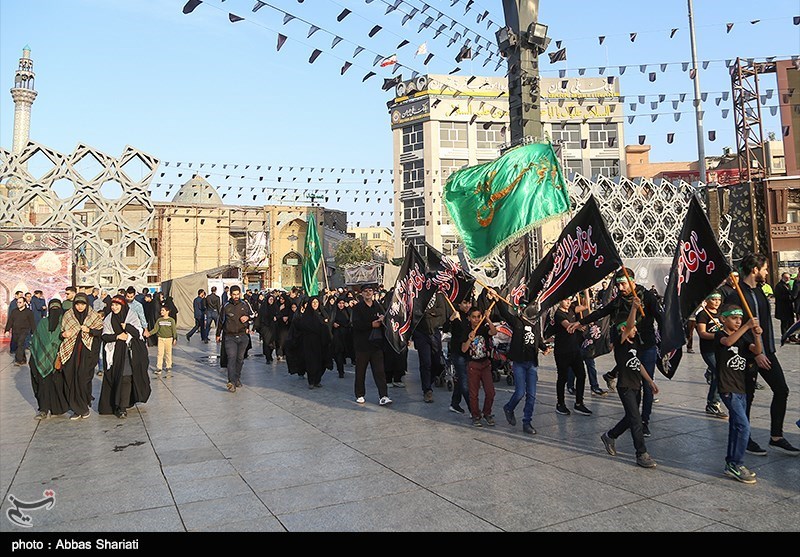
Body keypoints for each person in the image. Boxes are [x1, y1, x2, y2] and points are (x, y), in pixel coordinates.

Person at [574, 267, 663, 437]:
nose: (621, 288)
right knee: (633, 387)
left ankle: (644, 421)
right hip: (630, 348)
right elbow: (602, 312)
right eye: (618, 284)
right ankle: (634, 418)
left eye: (623, 284)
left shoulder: (646, 296)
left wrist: (666, 338)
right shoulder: (619, 301)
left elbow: (659, 316)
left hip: (647, 345)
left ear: (633, 282)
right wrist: (581, 322)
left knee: (647, 383)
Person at [724, 253, 799, 456]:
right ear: (755, 270)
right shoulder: (736, 295)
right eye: (765, 268)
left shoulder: (759, 293)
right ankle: (744, 438)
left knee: (781, 390)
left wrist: (766, 349)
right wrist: (754, 352)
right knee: (747, 397)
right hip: (748, 355)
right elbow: (733, 329)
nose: (767, 272)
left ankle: (776, 436)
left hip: (767, 351)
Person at [599, 299, 658, 468]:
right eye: (632, 328)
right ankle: (641, 453)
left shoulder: (635, 344)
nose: (635, 329)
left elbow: (638, 364)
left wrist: (650, 381)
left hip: (636, 385)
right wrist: (633, 308)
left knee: (630, 418)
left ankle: (610, 436)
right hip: (625, 386)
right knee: (636, 421)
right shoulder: (621, 341)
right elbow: (630, 325)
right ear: (623, 329)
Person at [715, 303, 761, 483]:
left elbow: (756, 351)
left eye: (740, 319)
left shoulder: (742, 337)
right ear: (723, 319)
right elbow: (728, 342)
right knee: (744, 426)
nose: (738, 321)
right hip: (728, 387)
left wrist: (756, 336)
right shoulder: (721, 335)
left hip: (741, 387)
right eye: (734, 318)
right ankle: (738, 463)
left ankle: (731, 463)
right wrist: (747, 326)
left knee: (736, 426)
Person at [496, 295, 549, 435]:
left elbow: (537, 339)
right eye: (522, 306)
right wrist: (496, 299)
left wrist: (544, 348)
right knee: (520, 392)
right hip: (519, 362)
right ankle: (509, 407)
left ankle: (527, 421)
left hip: (531, 363)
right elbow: (504, 313)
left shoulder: (536, 323)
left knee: (531, 395)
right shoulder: (517, 321)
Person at [98, 296, 151, 419]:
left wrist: (126, 327)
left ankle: (122, 407)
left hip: (129, 353)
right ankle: (116, 403)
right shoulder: (108, 319)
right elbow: (105, 336)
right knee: (117, 378)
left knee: (126, 378)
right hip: (114, 354)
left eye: (117, 305)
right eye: (113, 305)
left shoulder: (131, 316)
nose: (114, 308)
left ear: (123, 306)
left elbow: (138, 333)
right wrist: (117, 336)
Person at [58, 293, 103, 420]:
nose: (80, 307)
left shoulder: (93, 315)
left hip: (87, 353)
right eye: (77, 304)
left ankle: (83, 406)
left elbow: (100, 331)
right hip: (71, 353)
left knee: (83, 379)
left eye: (83, 304)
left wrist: (89, 330)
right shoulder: (68, 315)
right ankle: (78, 408)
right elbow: (61, 332)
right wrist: (64, 334)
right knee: (72, 378)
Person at [350, 285, 392, 406]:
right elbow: (356, 324)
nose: (368, 293)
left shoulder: (378, 306)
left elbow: (386, 320)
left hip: (376, 344)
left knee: (379, 372)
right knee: (360, 371)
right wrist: (370, 324)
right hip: (362, 345)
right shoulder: (357, 308)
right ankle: (359, 394)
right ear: (362, 294)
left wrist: (383, 319)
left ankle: (383, 395)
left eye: (370, 291)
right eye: (365, 291)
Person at [28, 298, 69, 420]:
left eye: (57, 308)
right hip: (41, 359)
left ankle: (57, 408)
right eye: (52, 309)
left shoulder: (64, 323)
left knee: (57, 385)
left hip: (58, 359)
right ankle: (43, 409)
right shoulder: (43, 322)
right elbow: (36, 340)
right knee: (43, 385)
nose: (55, 311)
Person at [553, 297, 594, 416]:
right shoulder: (559, 314)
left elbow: (586, 305)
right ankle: (560, 404)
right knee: (562, 378)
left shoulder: (571, 308)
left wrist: (586, 289)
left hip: (574, 350)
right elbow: (568, 326)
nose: (568, 302)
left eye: (570, 300)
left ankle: (579, 403)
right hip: (562, 351)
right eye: (566, 300)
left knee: (581, 375)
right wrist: (578, 325)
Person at [463, 305, 497, 427]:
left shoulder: (483, 329)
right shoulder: (466, 330)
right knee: (474, 393)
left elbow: (494, 332)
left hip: (485, 363)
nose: (476, 319)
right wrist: (469, 339)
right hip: (473, 365)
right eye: (473, 317)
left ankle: (487, 412)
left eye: (478, 317)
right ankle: (475, 415)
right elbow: (463, 349)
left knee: (490, 392)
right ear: (469, 318)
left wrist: (487, 319)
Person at [695, 291, 728, 419]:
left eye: (718, 300)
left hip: (720, 349)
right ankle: (713, 403)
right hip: (708, 349)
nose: (716, 302)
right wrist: (718, 337)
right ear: (707, 300)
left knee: (718, 372)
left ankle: (710, 372)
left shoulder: (720, 314)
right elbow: (702, 333)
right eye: (713, 299)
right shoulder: (703, 315)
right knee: (719, 373)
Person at [216, 285, 254, 393]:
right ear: (230, 295)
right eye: (234, 294)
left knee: (240, 359)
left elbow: (254, 315)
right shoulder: (226, 306)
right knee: (231, 358)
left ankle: (237, 378)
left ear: (240, 294)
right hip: (229, 337)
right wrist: (218, 334)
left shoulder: (245, 304)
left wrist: (247, 318)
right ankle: (231, 382)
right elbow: (220, 321)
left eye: (238, 294)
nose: (236, 296)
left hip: (243, 336)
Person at [411, 291, 447, 404]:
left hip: (434, 331)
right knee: (425, 362)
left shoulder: (438, 295)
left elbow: (442, 312)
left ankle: (430, 380)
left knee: (436, 360)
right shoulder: (417, 295)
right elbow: (415, 312)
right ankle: (427, 389)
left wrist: (430, 312)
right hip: (421, 332)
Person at [295, 295, 332, 389]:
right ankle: (311, 381)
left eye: (316, 302)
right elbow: (302, 326)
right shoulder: (306, 315)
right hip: (309, 343)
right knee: (311, 362)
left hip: (321, 342)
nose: (315, 304)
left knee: (321, 361)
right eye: (313, 302)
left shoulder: (322, 314)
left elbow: (327, 327)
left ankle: (317, 380)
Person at [445, 296, 473, 416]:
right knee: (465, 381)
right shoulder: (456, 315)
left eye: (469, 303)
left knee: (461, 380)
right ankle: (473, 410)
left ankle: (455, 403)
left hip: (468, 352)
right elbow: (445, 328)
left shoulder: (470, 316)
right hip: (457, 353)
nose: (467, 305)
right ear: (459, 304)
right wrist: (451, 319)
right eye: (464, 303)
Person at [5, 296, 34, 365]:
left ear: (24, 303)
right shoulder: (14, 311)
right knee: (19, 345)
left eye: (20, 302)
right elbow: (10, 321)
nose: (18, 304)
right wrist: (7, 330)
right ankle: (23, 359)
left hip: (24, 331)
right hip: (15, 331)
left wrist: (34, 332)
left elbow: (32, 322)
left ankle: (18, 360)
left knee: (20, 343)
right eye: (17, 302)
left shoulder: (28, 312)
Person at [149, 305, 178, 376]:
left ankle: (168, 366)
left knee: (168, 353)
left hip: (169, 338)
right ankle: (159, 367)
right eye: (161, 310)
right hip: (161, 338)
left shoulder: (171, 320)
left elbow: (174, 330)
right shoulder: (159, 320)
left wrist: (175, 338)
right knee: (160, 353)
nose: (161, 312)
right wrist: (149, 333)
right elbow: (156, 329)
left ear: (167, 311)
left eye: (163, 310)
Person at [329, 297, 353, 378]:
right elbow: (330, 321)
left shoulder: (347, 311)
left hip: (346, 335)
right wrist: (333, 324)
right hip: (337, 335)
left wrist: (348, 307)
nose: (341, 305)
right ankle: (340, 371)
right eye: (340, 303)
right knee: (338, 353)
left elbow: (352, 319)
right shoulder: (334, 311)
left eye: (343, 303)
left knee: (345, 353)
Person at [256, 292, 278, 364]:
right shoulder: (264, 307)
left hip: (273, 328)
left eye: (272, 299)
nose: (271, 301)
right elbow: (260, 317)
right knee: (266, 343)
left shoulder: (275, 307)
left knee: (272, 343)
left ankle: (270, 355)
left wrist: (276, 317)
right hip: (265, 328)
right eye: (270, 299)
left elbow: (278, 315)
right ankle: (268, 357)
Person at [774, 272, 795, 338]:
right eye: (786, 278)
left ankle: (792, 336)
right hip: (782, 308)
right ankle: (785, 336)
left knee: (791, 323)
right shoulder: (779, 286)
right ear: (782, 278)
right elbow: (779, 296)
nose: (787, 279)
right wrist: (789, 297)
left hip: (789, 308)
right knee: (784, 324)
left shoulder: (788, 285)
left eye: (789, 278)